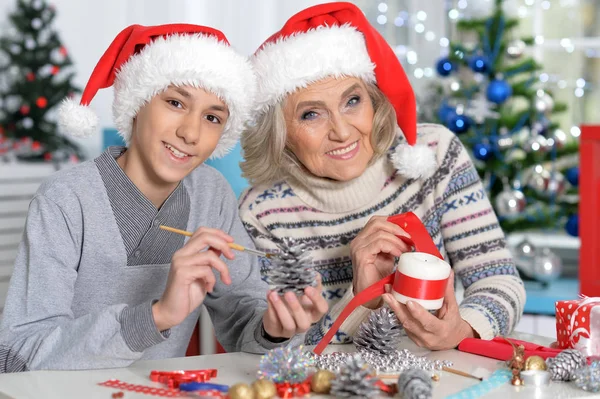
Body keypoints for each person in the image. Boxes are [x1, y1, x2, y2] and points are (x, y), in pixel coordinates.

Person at [0, 24, 328, 373]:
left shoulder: (210, 194)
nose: (190, 133)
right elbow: (17, 354)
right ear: (137, 103)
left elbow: (241, 317)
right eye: (175, 103)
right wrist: (157, 316)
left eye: (212, 117)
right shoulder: (65, 199)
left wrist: (273, 329)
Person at [239, 2, 525, 350]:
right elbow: (283, 353)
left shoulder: (435, 153)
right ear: (279, 132)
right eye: (312, 114)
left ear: (374, 100)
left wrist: (463, 329)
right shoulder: (263, 212)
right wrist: (362, 297)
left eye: (352, 101)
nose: (342, 132)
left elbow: (499, 279)